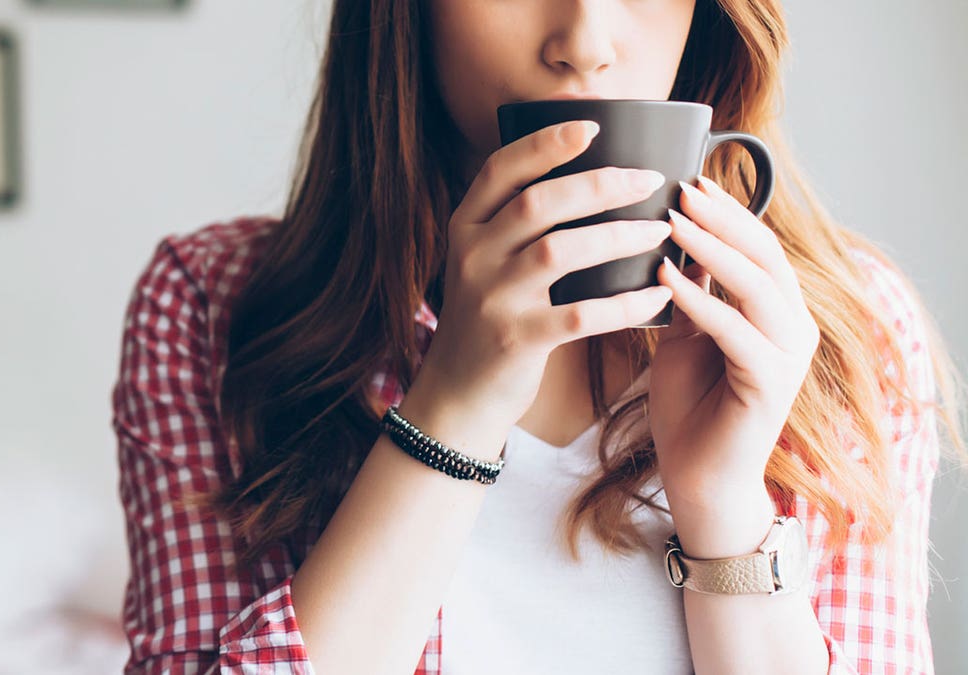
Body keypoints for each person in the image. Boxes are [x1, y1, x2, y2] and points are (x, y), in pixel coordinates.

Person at [110, 1, 966, 673]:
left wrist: (723, 510)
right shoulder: (213, 306)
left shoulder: (849, 329)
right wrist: (454, 407)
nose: (584, 40)